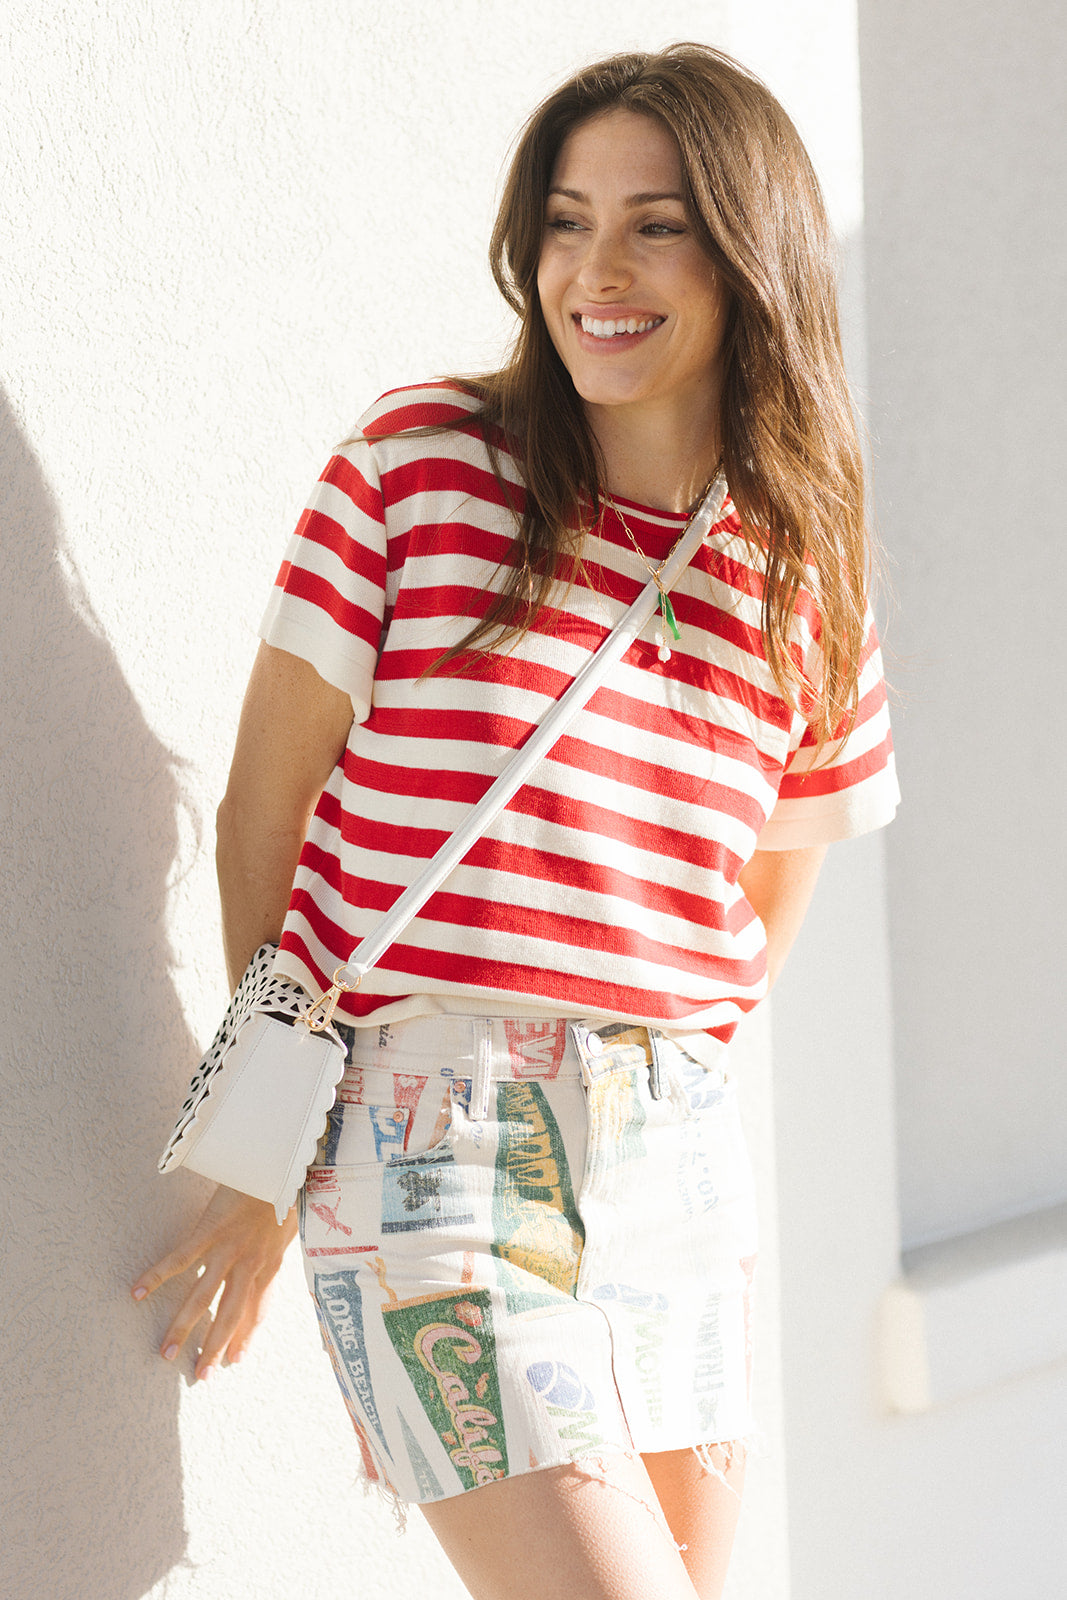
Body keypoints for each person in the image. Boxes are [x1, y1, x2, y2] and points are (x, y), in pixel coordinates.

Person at [133, 42, 898, 1600]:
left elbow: (759, 899)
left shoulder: (805, 575)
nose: (595, 271)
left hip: (672, 1164)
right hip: (431, 1139)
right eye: (566, 220)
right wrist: (276, 1146)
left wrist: (647, 1092)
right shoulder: (419, 469)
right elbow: (259, 820)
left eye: (656, 224)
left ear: (751, 254)